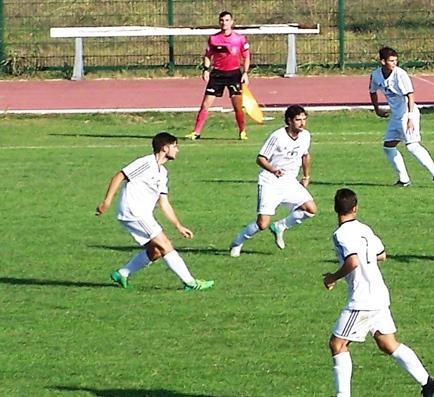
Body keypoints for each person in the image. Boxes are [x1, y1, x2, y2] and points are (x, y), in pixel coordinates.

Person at [323, 188, 434, 397]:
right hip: (379, 294)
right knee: (387, 343)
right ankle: (427, 382)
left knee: (337, 344)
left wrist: (332, 277)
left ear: (335, 209)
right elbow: (382, 255)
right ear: (356, 208)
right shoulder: (365, 229)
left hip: (362, 300)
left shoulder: (341, 234)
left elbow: (353, 261)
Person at [96, 132, 214, 291]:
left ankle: (122, 273)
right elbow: (119, 176)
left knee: (156, 251)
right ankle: (190, 282)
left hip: (142, 214)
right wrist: (107, 201)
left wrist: (178, 226)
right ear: (165, 148)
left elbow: (164, 203)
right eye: (174, 146)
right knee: (165, 244)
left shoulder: (163, 173)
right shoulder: (145, 162)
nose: (177, 150)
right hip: (134, 212)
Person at [229, 105, 317, 257]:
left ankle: (280, 226)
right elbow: (260, 158)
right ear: (289, 121)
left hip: (289, 181)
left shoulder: (305, 136)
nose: (302, 123)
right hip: (270, 181)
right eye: (298, 120)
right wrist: (273, 170)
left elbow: (305, 156)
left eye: (304, 119)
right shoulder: (277, 137)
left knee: (310, 209)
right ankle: (237, 243)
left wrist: (306, 176)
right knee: (262, 224)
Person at [369, 46, 434, 188]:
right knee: (388, 146)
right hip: (396, 116)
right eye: (391, 61)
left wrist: (410, 118)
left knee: (412, 146)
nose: (394, 63)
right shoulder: (375, 75)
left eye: (396, 60)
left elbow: (410, 96)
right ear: (382, 61)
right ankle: (404, 179)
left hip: (407, 114)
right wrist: (377, 109)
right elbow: (372, 91)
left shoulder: (400, 75)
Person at [186, 11, 251, 141]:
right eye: (222, 20)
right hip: (217, 74)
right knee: (205, 104)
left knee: (237, 106)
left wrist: (245, 73)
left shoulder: (240, 39)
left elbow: (246, 56)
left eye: (227, 20)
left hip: (234, 74)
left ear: (232, 22)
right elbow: (208, 56)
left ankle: (242, 131)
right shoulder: (213, 39)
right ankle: (196, 132)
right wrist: (206, 70)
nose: (224, 23)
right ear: (219, 22)